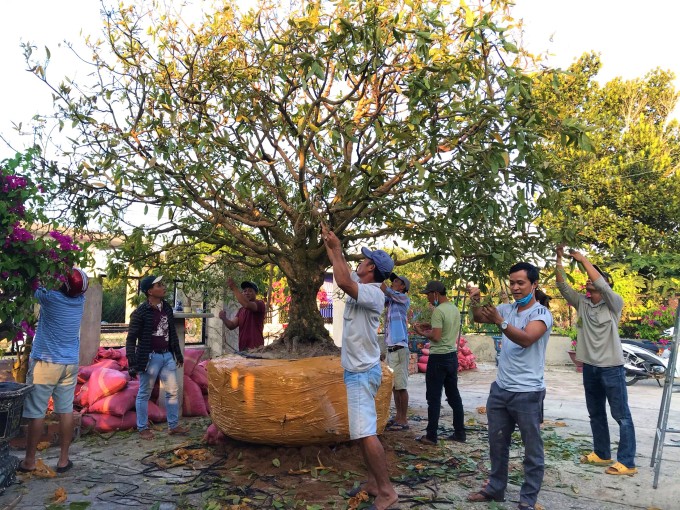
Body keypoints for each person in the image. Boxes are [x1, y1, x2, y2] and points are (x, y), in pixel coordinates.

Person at [322, 225, 398, 510]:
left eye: (364, 260)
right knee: (362, 433)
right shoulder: (361, 283)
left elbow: (342, 280)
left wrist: (338, 248)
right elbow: (338, 267)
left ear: (371, 269)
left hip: (362, 372)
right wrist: (331, 244)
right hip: (359, 370)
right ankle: (373, 483)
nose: (359, 262)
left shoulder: (373, 293)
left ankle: (388, 493)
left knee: (366, 434)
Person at [467, 262, 553, 510]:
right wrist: (475, 301)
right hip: (501, 390)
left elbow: (526, 339)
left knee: (532, 451)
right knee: (497, 443)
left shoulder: (541, 314)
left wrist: (500, 322)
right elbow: (479, 318)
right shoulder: (507, 308)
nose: (515, 287)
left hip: (528, 393)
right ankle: (495, 489)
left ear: (534, 285)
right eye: (512, 282)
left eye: (520, 283)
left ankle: (527, 500)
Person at [555, 245, 637, 476]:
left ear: (605, 284)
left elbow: (600, 282)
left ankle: (628, 462)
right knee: (596, 412)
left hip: (611, 368)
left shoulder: (614, 304)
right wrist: (559, 259)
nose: (590, 281)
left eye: (596, 278)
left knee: (621, 415)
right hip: (590, 367)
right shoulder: (583, 302)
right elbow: (562, 286)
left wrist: (583, 260)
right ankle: (602, 453)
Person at [19, 268, 89, 474]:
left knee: (37, 412)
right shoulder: (80, 302)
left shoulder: (49, 298)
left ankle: (30, 461)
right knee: (66, 411)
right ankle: (63, 460)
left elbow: (32, 281)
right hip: (69, 364)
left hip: (46, 364)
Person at [126, 275, 188, 440]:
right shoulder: (140, 313)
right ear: (149, 291)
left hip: (167, 355)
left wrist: (178, 354)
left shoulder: (166, 307)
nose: (164, 287)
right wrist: (132, 362)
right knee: (144, 392)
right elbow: (131, 339)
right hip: (149, 358)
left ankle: (173, 426)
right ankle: (142, 427)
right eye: (159, 285)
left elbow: (172, 333)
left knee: (173, 391)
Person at [413, 281, 466, 444]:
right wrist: (431, 326)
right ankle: (459, 432)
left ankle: (431, 435)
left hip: (438, 358)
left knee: (434, 398)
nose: (428, 298)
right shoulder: (454, 309)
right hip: (451, 356)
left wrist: (421, 332)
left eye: (428, 294)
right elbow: (446, 329)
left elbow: (436, 337)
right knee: (454, 396)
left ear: (435, 293)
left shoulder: (438, 311)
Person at [381, 273, 411, 431]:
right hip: (391, 348)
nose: (393, 283)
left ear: (403, 287)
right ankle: (398, 416)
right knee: (394, 385)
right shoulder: (391, 301)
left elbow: (386, 290)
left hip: (400, 348)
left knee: (401, 386)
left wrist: (379, 279)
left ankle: (403, 419)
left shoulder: (403, 299)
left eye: (397, 282)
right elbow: (382, 297)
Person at [219, 279, 266, 351]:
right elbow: (232, 325)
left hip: (256, 348)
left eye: (250, 291)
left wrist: (234, 288)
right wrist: (223, 318)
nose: (247, 293)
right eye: (245, 291)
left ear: (256, 293)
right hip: (243, 348)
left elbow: (247, 304)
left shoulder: (260, 304)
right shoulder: (241, 310)